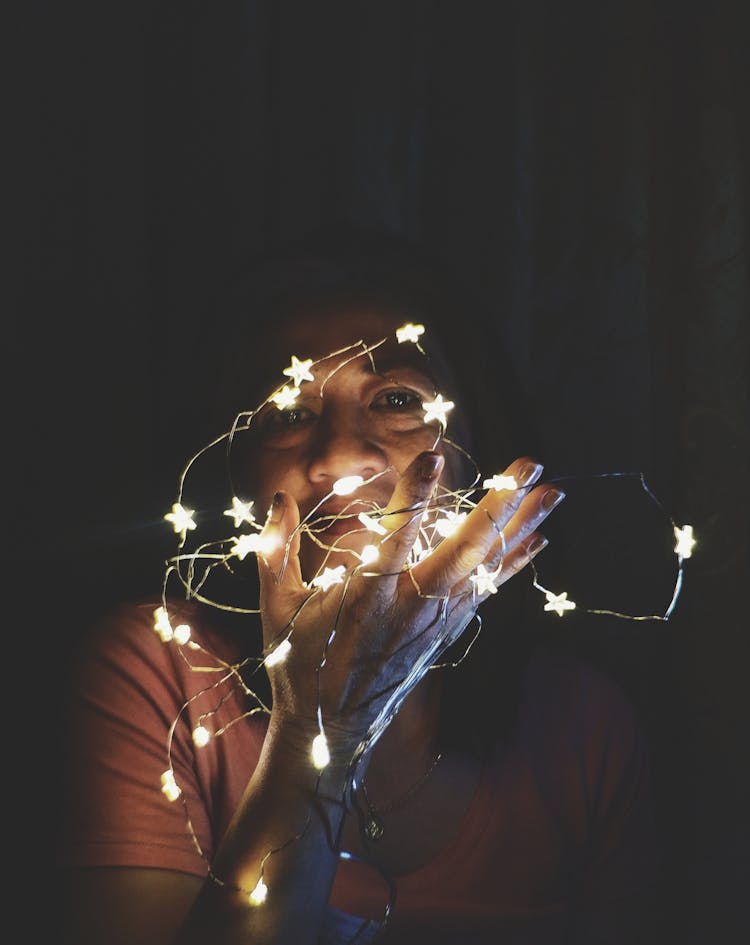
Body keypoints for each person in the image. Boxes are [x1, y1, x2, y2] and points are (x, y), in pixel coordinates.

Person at [59, 233, 662, 944]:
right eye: (288, 412)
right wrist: (321, 729)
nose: (339, 456)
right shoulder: (154, 675)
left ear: (487, 458)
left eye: (398, 398)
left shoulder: (580, 730)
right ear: (238, 470)